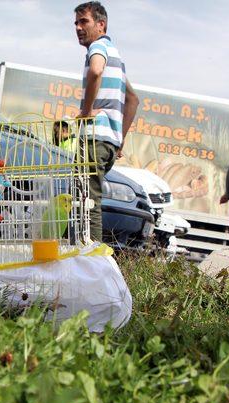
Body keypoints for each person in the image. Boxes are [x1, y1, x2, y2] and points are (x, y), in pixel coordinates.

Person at [74, 1, 139, 242]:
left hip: (93, 139)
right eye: (76, 23)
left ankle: (93, 261)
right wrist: (119, 140)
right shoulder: (116, 57)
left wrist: (87, 110)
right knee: (86, 200)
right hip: (108, 144)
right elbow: (133, 100)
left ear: (101, 24)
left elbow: (96, 71)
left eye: (84, 22)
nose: (79, 28)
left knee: (87, 203)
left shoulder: (98, 47)